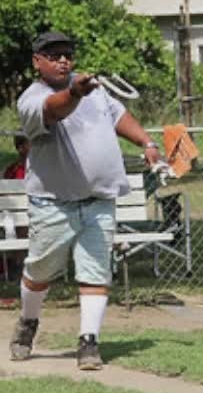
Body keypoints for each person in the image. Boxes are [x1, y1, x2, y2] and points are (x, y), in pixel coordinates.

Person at [9, 31, 161, 370]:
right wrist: (76, 92)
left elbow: (118, 115)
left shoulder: (95, 90)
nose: (63, 59)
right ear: (37, 62)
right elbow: (54, 110)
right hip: (53, 202)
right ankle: (28, 322)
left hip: (99, 199)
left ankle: (88, 342)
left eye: (67, 53)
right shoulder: (32, 99)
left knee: (96, 271)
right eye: (53, 54)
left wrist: (148, 144)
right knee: (40, 272)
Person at [0, 135, 30, 279]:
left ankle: (23, 262)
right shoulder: (14, 170)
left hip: (36, 209)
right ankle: (19, 263)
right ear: (21, 148)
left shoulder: (41, 169)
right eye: (30, 144)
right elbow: (3, 194)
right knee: (19, 221)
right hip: (17, 212)